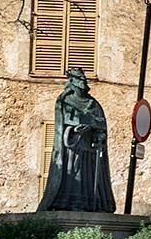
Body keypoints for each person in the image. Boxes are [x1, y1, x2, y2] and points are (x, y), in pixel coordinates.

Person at [39, 69, 115, 212]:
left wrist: (99, 135)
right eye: (79, 78)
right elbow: (61, 126)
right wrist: (74, 130)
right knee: (72, 173)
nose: (83, 81)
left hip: (89, 149)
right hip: (71, 148)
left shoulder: (93, 104)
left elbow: (101, 126)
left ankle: (90, 204)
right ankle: (68, 203)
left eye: (83, 78)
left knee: (88, 175)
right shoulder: (65, 101)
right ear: (72, 81)